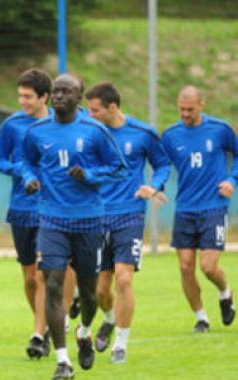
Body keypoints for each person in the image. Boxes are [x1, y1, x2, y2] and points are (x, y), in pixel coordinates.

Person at [21, 74, 127, 379]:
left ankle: (84, 331)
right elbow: (26, 161)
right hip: (51, 218)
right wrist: (29, 179)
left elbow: (119, 167)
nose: (59, 96)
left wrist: (90, 176)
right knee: (52, 283)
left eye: (66, 91)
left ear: (79, 98)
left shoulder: (94, 130)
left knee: (89, 293)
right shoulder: (37, 131)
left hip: (89, 220)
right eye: (56, 91)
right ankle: (63, 361)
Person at [86, 82, 171, 364]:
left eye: (95, 109)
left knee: (124, 279)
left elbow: (162, 164)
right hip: (97, 217)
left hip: (130, 215)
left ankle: (121, 344)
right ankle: (109, 319)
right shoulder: (89, 133)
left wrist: (154, 186)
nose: (91, 114)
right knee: (100, 289)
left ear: (112, 107)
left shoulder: (143, 133)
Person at [160, 85, 236, 334]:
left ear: (201, 105)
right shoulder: (171, 135)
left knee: (208, 267)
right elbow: (161, 164)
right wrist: (156, 186)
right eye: (181, 109)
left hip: (213, 206)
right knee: (184, 266)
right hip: (184, 208)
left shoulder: (220, 129)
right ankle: (201, 318)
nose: (185, 114)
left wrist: (232, 180)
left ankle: (225, 293)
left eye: (190, 109)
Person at [0, 68, 52, 359]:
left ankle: (38, 333)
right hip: (21, 208)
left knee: (41, 274)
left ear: (44, 97)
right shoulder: (12, 125)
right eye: (20, 96)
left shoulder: (59, 124)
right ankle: (45, 322)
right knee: (29, 277)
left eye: (28, 97)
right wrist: (18, 170)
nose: (23, 102)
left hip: (51, 209)